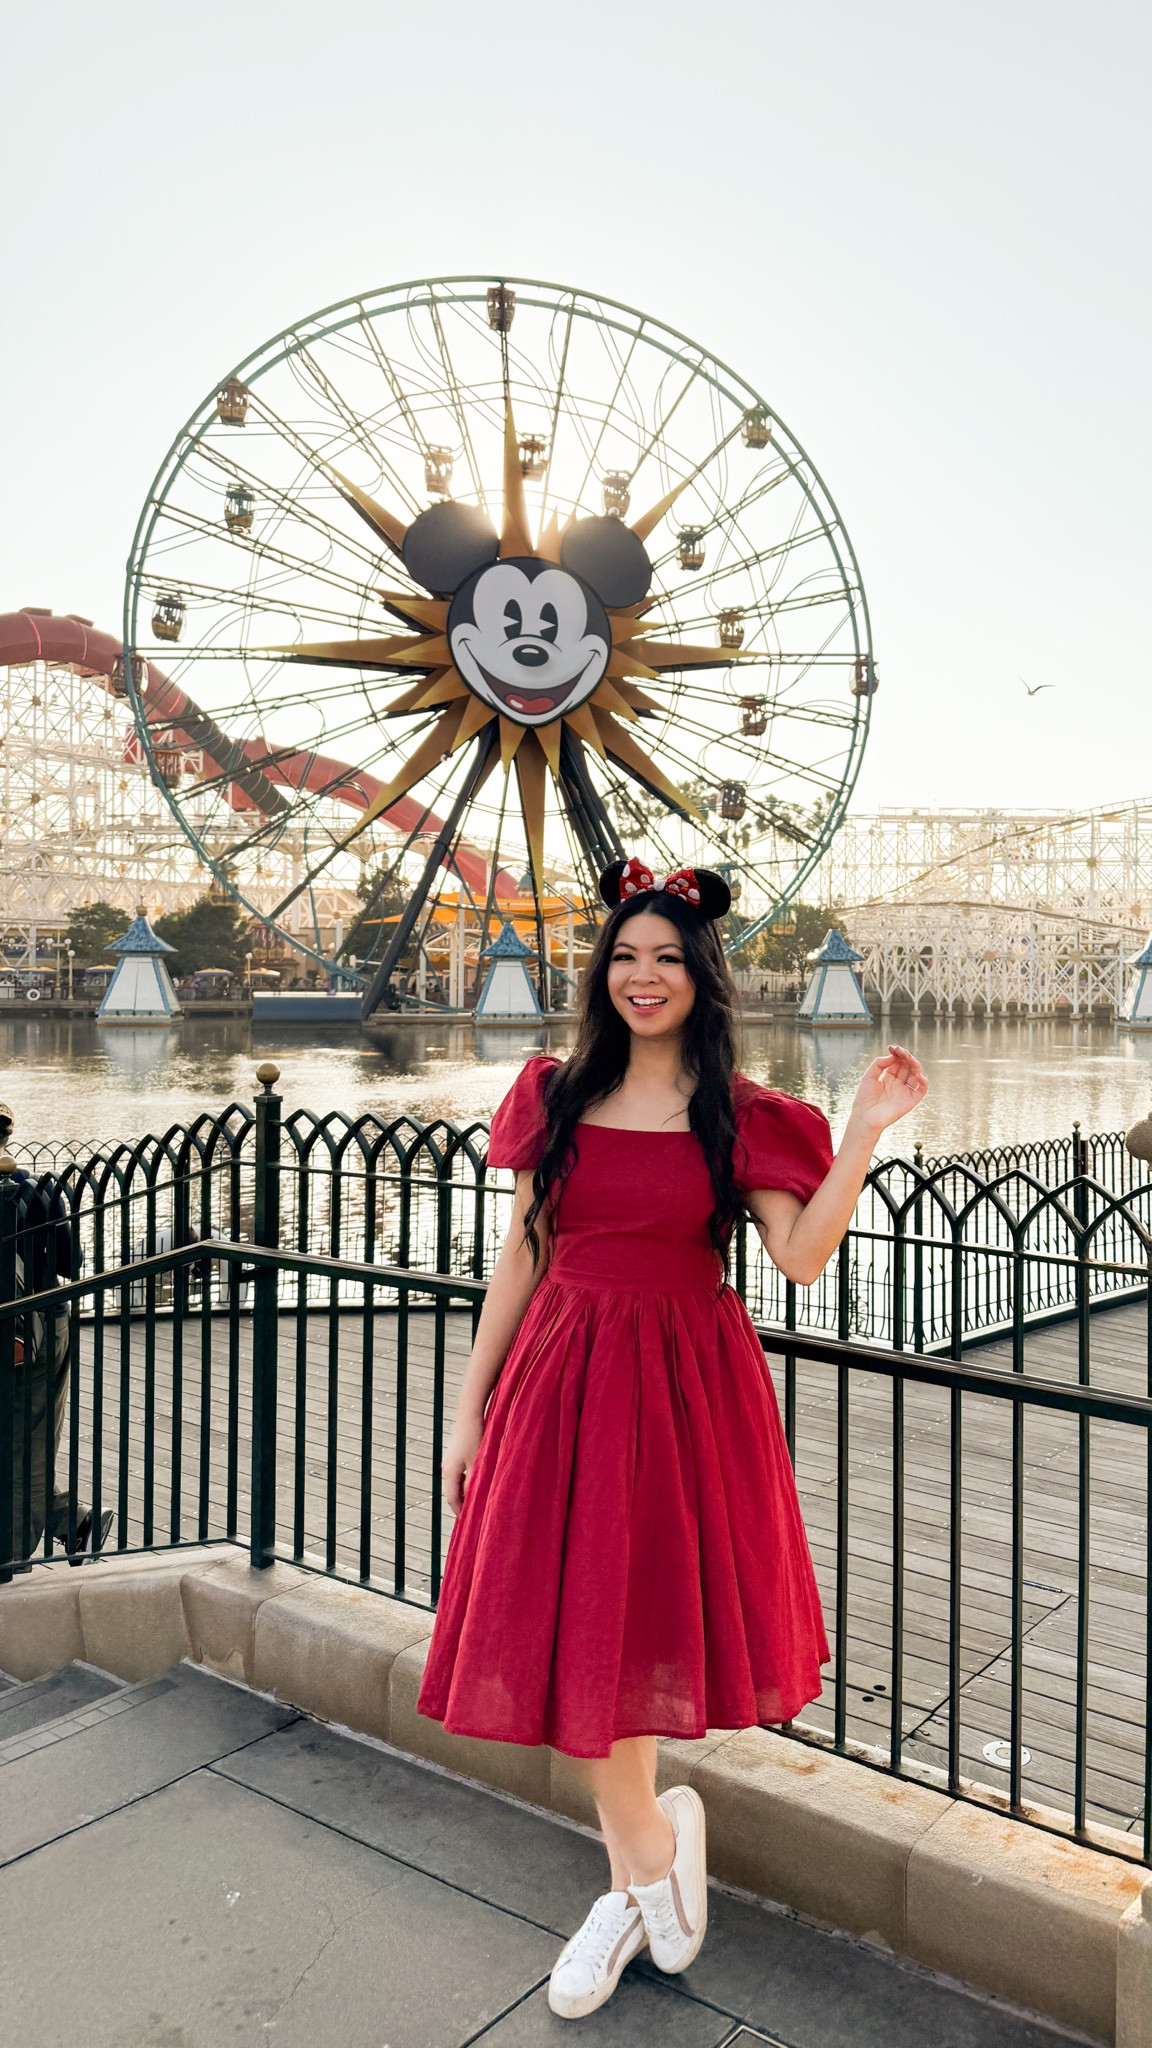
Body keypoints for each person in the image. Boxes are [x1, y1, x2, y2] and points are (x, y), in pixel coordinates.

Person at [417, 857, 927, 2021]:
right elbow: (525, 1254)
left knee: (631, 1613)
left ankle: (632, 1883)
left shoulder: (740, 1114)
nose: (642, 976)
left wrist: (859, 1136)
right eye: (623, 955)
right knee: (561, 1630)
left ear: (700, 977)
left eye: (666, 958)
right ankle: (650, 1859)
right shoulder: (554, 1091)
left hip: (686, 1385)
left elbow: (799, 1260)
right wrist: (467, 1406)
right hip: (561, 1378)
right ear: (602, 972)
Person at [0, 1103, 109, 1565]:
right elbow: (71, 1265)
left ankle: (11, 1561)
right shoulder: (39, 1190)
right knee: (31, 1440)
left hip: (21, 1338)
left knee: (22, 1453)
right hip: (55, 1321)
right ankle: (73, 1520)